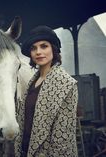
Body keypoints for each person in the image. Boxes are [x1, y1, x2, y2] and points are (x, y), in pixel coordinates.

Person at [14, 25, 78, 157]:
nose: (38, 52)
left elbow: (62, 138)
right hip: (25, 151)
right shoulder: (32, 81)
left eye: (44, 46)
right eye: (34, 48)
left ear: (53, 49)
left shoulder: (66, 84)